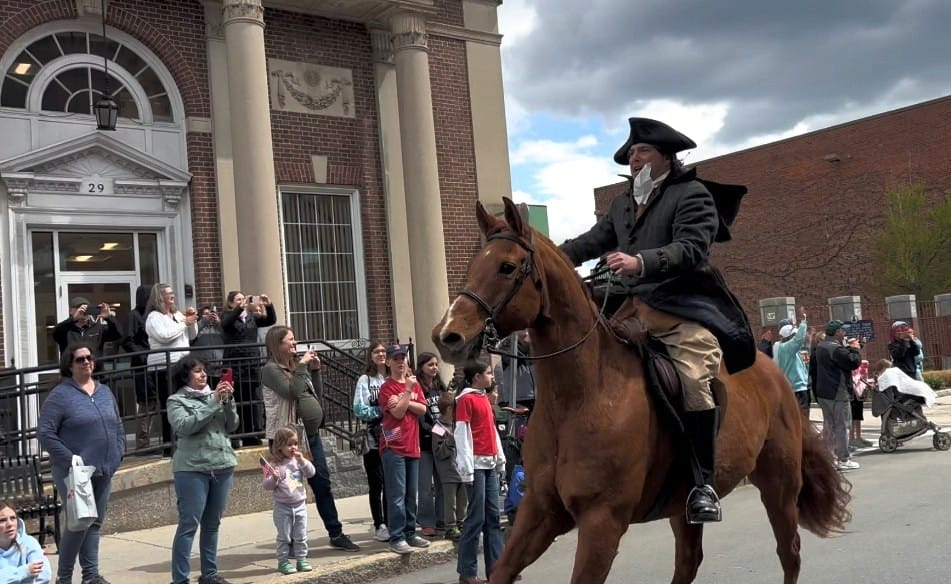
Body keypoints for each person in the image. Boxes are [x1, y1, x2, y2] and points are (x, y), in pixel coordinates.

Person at [559, 117, 755, 524]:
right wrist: (545, 255)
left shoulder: (692, 194)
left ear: (666, 156)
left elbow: (692, 248)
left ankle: (702, 485)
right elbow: (591, 242)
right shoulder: (623, 202)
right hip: (629, 313)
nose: (633, 159)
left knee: (694, 380)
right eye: (630, 154)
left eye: (641, 151)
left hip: (680, 311)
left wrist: (639, 261)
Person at [260, 326, 361, 552]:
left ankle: (336, 533)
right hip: (286, 439)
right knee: (290, 490)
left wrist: (314, 371)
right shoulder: (270, 370)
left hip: (308, 435)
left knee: (322, 483)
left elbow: (312, 393)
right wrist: (304, 365)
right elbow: (292, 392)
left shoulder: (296, 367)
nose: (295, 343)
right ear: (277, 345)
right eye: (290, 340)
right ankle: (292, 542)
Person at [37, 343, 124, 584]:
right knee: (78, 524)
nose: (86, 362)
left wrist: (119, 452)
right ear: (69, 365)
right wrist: (69, 457)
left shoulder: (104, 392)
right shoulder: (60, 396)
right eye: (80, 359)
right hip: (74, 472)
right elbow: (45, 433)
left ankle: (91, 575)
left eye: (89, 358)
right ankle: (63, 578)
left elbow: (117, 425)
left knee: (94, 523)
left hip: (105, 468)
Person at [166, 355, 238, 584]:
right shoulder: (176, 400)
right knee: (189, 524)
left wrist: (228, 401)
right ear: (185, 375)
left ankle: (209, 574)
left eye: (204, 370)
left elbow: (231, 425)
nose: (203, 375)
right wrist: (214, 402)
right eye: (197, 371)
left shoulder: (214, 395)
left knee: (212, 524)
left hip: (222, 464)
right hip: (192, 469)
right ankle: (180, 579)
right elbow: (185, 427)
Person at [454, 360, 505, 584]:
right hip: (475, 465)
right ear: (476, 377)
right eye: (487, 373)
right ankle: (467, 571)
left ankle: (497, 569)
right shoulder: (465, 399)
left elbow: (491, 430)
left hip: (489, 463)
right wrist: (466, 469)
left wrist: (500, 458)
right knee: (476, 518)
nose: (491, 377)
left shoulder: (484, 398)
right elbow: (462, 434)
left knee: (493, 517)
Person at [378, 343, 431, 555]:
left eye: (403, 358)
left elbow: (422, 410)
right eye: (396, 358)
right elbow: (398, 414)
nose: (401, 362)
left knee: (411, 494)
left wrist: (404, 400)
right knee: (396, 494)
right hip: (394, 446)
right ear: (389, 362)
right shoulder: (387, 387)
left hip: (412, 445)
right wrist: (408, 393)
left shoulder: (415, 385)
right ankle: (397, 536)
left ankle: (410, 532)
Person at [145, 283, 199, 456]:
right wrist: (185, 324)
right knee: (170, 403)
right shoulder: (154, 317)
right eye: (169, 293)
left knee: (186, 403)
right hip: (163, 366)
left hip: (182, 364)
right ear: (160, 297)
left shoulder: (176, 314)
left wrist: (191, 322)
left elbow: (191, 336)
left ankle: (186, 441)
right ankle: (170, 445)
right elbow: (165, 336)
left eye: (173, 292)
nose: (173, 296)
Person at [221, 291, 277, 446]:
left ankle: (251, 434)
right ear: (231, 303)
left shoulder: (251, 317)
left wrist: (269, 305)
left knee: (252, 399)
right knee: (236, 399)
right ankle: (235, 434)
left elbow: (270, 320)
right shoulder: (227, 316)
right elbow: (226, 325)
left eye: (243, 299)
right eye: (238, 300)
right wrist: (239, 308)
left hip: (251, 363)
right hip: (235, 363)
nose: (242, 301)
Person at [261, 426, 316, 575]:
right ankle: (283, 561)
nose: (293, 447)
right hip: (282, 507)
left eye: (295, 444)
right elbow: (266, 486)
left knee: (301, 535)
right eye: (289, 444)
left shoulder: (298, 461)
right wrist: (274, 478)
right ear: (279, 446)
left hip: (300, 505)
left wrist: (303, 461)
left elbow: (311, 473)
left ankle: (301, 559)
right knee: (284, 536)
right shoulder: (274, 465)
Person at [352, 341, 389, 543]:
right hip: (374, 436)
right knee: (377, 483)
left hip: (395, 435)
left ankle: (392, 520)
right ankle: (379, 524)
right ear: (370, 356)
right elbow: (358, 408)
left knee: (392, 482)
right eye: (377, 351)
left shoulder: (393, 377)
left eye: (384, 351)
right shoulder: (365, 380)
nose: (381, 354)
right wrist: (382, 411)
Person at [814, 320, 862, 471]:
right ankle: (843, 458)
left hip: (823, 392)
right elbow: (853, 362)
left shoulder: (821, 346)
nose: (844, 333)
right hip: (837, 392)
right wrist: (855, 349)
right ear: (836, 332)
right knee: (842, 426)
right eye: (842, 330)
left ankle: (830, 458)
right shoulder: (835, 348)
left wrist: (850, 349)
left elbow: (840, 357)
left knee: (829, 425)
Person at [415, 352, 447, 537]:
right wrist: (439, 431)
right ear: (421, 367)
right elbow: (422, 421)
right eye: (430, 365)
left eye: (436, 364)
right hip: (425, 443)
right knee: (425, 486)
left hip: (441, 443)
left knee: (443, 483)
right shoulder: (418, 388)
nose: (434, 368)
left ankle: (442, 518)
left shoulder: (440, 387)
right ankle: (427, 521)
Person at [121, 284, 155, 451]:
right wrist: (142, 355)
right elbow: (127, 340)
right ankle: (143, 443)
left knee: (155, 401)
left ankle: (156, 439)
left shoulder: (153, 316)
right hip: (142, 365)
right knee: (146, 402)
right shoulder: (133, 316)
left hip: (155, 363)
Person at [432, 391, 465, 541]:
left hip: (461, 469)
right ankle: (450, 527)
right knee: (450, 502)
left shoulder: (457, 424)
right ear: (449, 409)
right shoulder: (437, 427)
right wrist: (449, 442)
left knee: (462, 500)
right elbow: (438, 452)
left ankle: (462, 523)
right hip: (448, 471)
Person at [0, 501, 51, 584]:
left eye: (13, 518)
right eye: (2, 520)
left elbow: (44, 575)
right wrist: (24, 572)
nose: (10, 524)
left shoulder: (29, 542)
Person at [52, 297, 121, 357]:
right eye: (79, 308)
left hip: (94, 369)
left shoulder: (97, 328)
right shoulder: (66, 330)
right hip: (72, 370)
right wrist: (73, 319)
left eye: (86, 308)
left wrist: (109, 318)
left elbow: (117, 334)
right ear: (70, 311)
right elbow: (56, 333)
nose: (83, 311)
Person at [774, 309, 810, 417]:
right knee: (801, 417)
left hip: (792, 387)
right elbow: (798, 339)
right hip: (796, 388)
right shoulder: (787, 347)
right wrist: (804, 321)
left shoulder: (780, 347)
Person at [190, 306, 225, 388]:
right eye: (206, 314)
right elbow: (191, 337)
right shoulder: (197, 328)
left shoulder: (219, 328)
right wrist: (203, 321)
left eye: (212, 314)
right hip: (203, 370)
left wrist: (219, 323)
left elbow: (228, 336)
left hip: (220, 369)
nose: (209, 316)